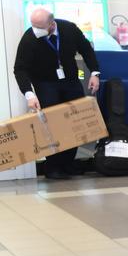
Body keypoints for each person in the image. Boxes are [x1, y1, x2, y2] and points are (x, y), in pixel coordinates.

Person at [13, 9, 101, 179]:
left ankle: (68, 163)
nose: (35, 29)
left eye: (39, 26)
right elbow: (20, 69)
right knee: (52, 125)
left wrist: (95, 73)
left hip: (70, 81)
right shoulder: (30, 38)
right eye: (33, 25)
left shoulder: (69, 29)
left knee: (74, 122)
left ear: (52, 25)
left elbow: (86, 50)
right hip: (45, 83)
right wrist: (29, 94)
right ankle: (52, 166)